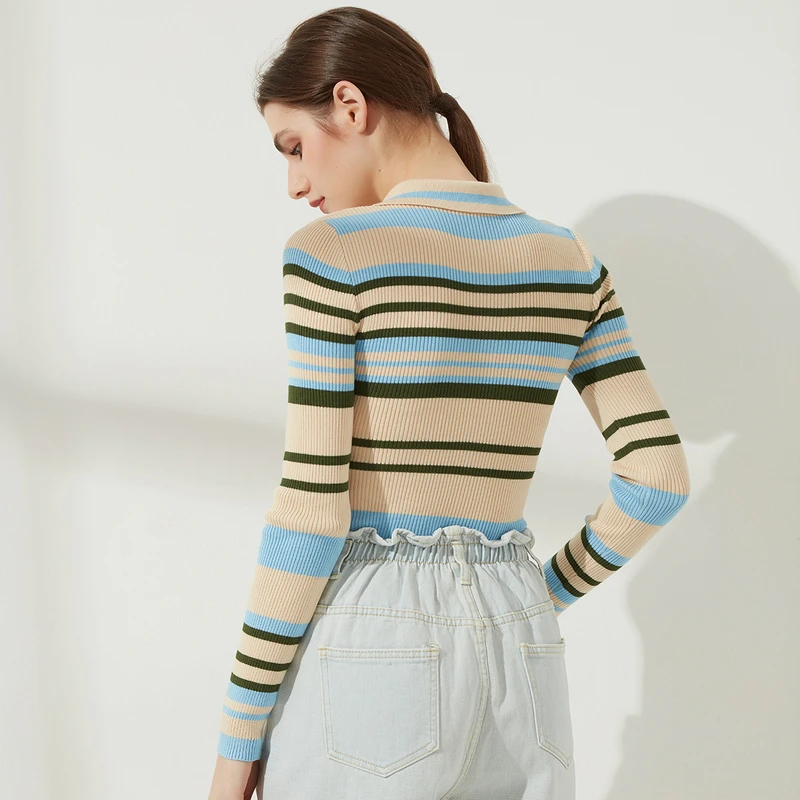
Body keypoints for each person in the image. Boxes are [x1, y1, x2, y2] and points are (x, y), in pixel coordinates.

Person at [208, 7, 691, 800]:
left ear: (350, 105)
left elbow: (311, 510)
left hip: (373, 647)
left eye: (294, 147)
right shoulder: (573, 262)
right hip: (522, 648)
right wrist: (535, 597)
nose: (294, 183)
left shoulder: (333, 255)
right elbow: (658, 478)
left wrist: (237, 742)